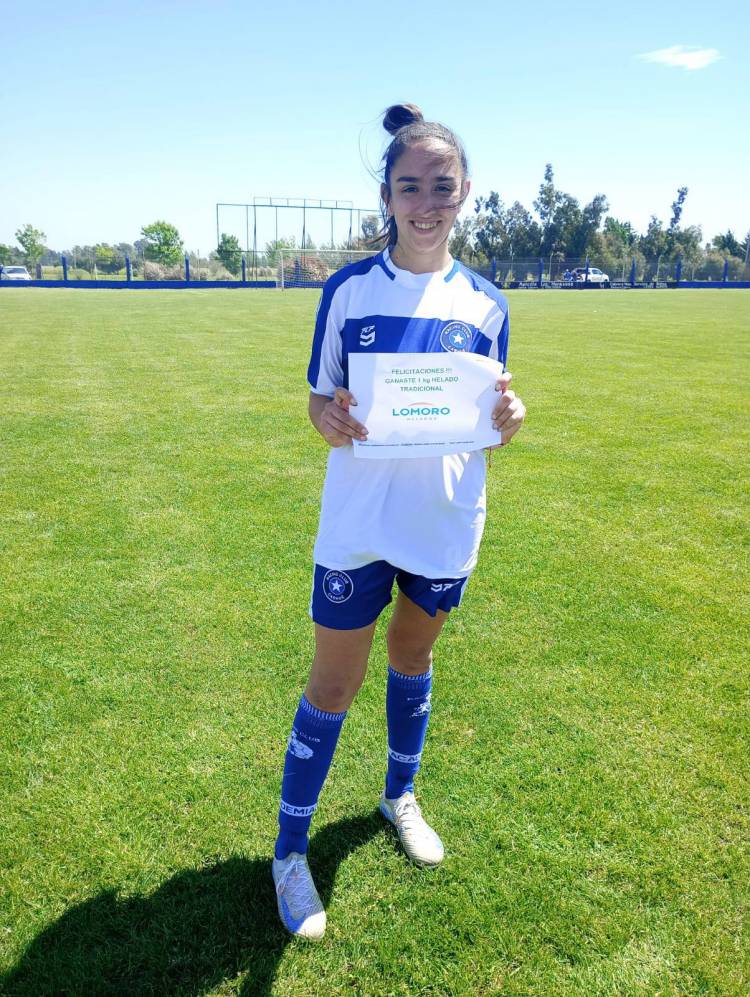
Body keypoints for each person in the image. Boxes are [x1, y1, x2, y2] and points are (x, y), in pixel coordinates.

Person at [271, 103, 526, 939]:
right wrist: (329, 418)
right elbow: (320, 397)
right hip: (361, 522)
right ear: (386, 194)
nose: (426, 201)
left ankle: (398, 796)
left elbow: (490, 408)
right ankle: (289, 852)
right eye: (409, 186)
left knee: (412, 657)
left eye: (441, 187)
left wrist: (510, 415)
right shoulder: (348, 292)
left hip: (445, 519)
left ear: (466, 193)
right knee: (334, 684)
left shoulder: (486, 302)